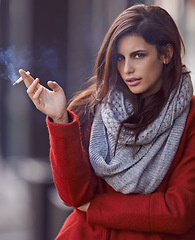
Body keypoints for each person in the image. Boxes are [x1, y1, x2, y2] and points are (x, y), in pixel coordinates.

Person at [19, 4, 195, 240]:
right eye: (120, 58)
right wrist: (60, 119)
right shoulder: (94, 108)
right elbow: (74, 197)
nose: (127, 69)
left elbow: (177, 211)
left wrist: (96, 208)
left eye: (138, 55)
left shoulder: (190, 116)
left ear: (166, 54)